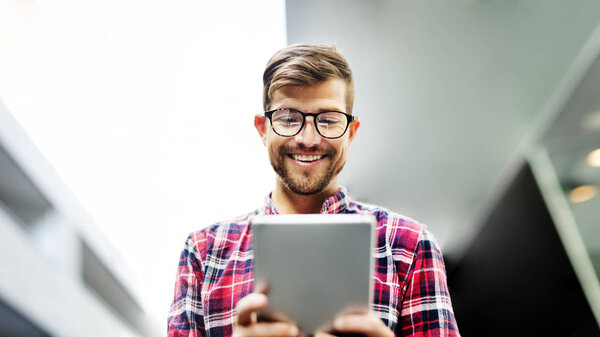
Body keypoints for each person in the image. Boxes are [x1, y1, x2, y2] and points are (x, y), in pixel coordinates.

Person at [167, 44, 460, 337]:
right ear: (262, 128)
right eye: (288, 118)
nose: (308, 139)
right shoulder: (204, 254)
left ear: (351, 132)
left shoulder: (410, 246)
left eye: (328, 120)